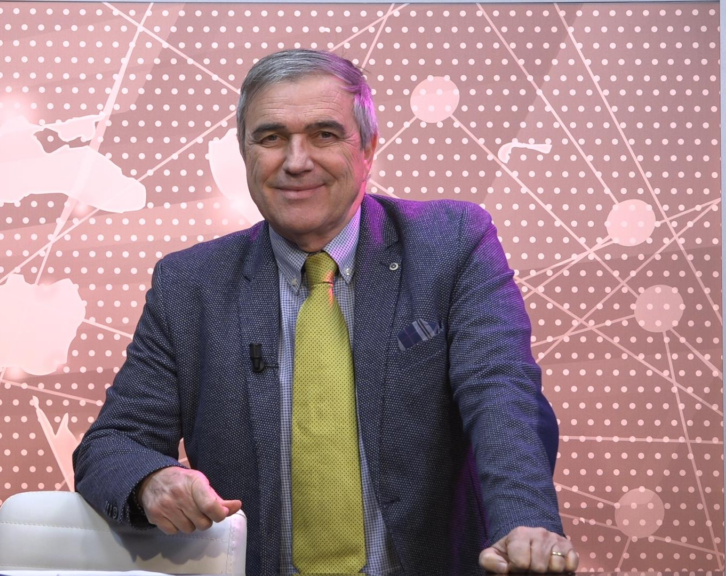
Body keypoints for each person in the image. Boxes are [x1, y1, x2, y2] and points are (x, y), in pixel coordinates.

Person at [73, 49, 578, 575]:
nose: (296, 161)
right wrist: (151, 480)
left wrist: (524, 521)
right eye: (271, 138)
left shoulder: (452, 244)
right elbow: (112, 444)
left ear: (368, 149)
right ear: (245, 153)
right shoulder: (189, 284)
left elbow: (500, 392)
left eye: (324, 134)